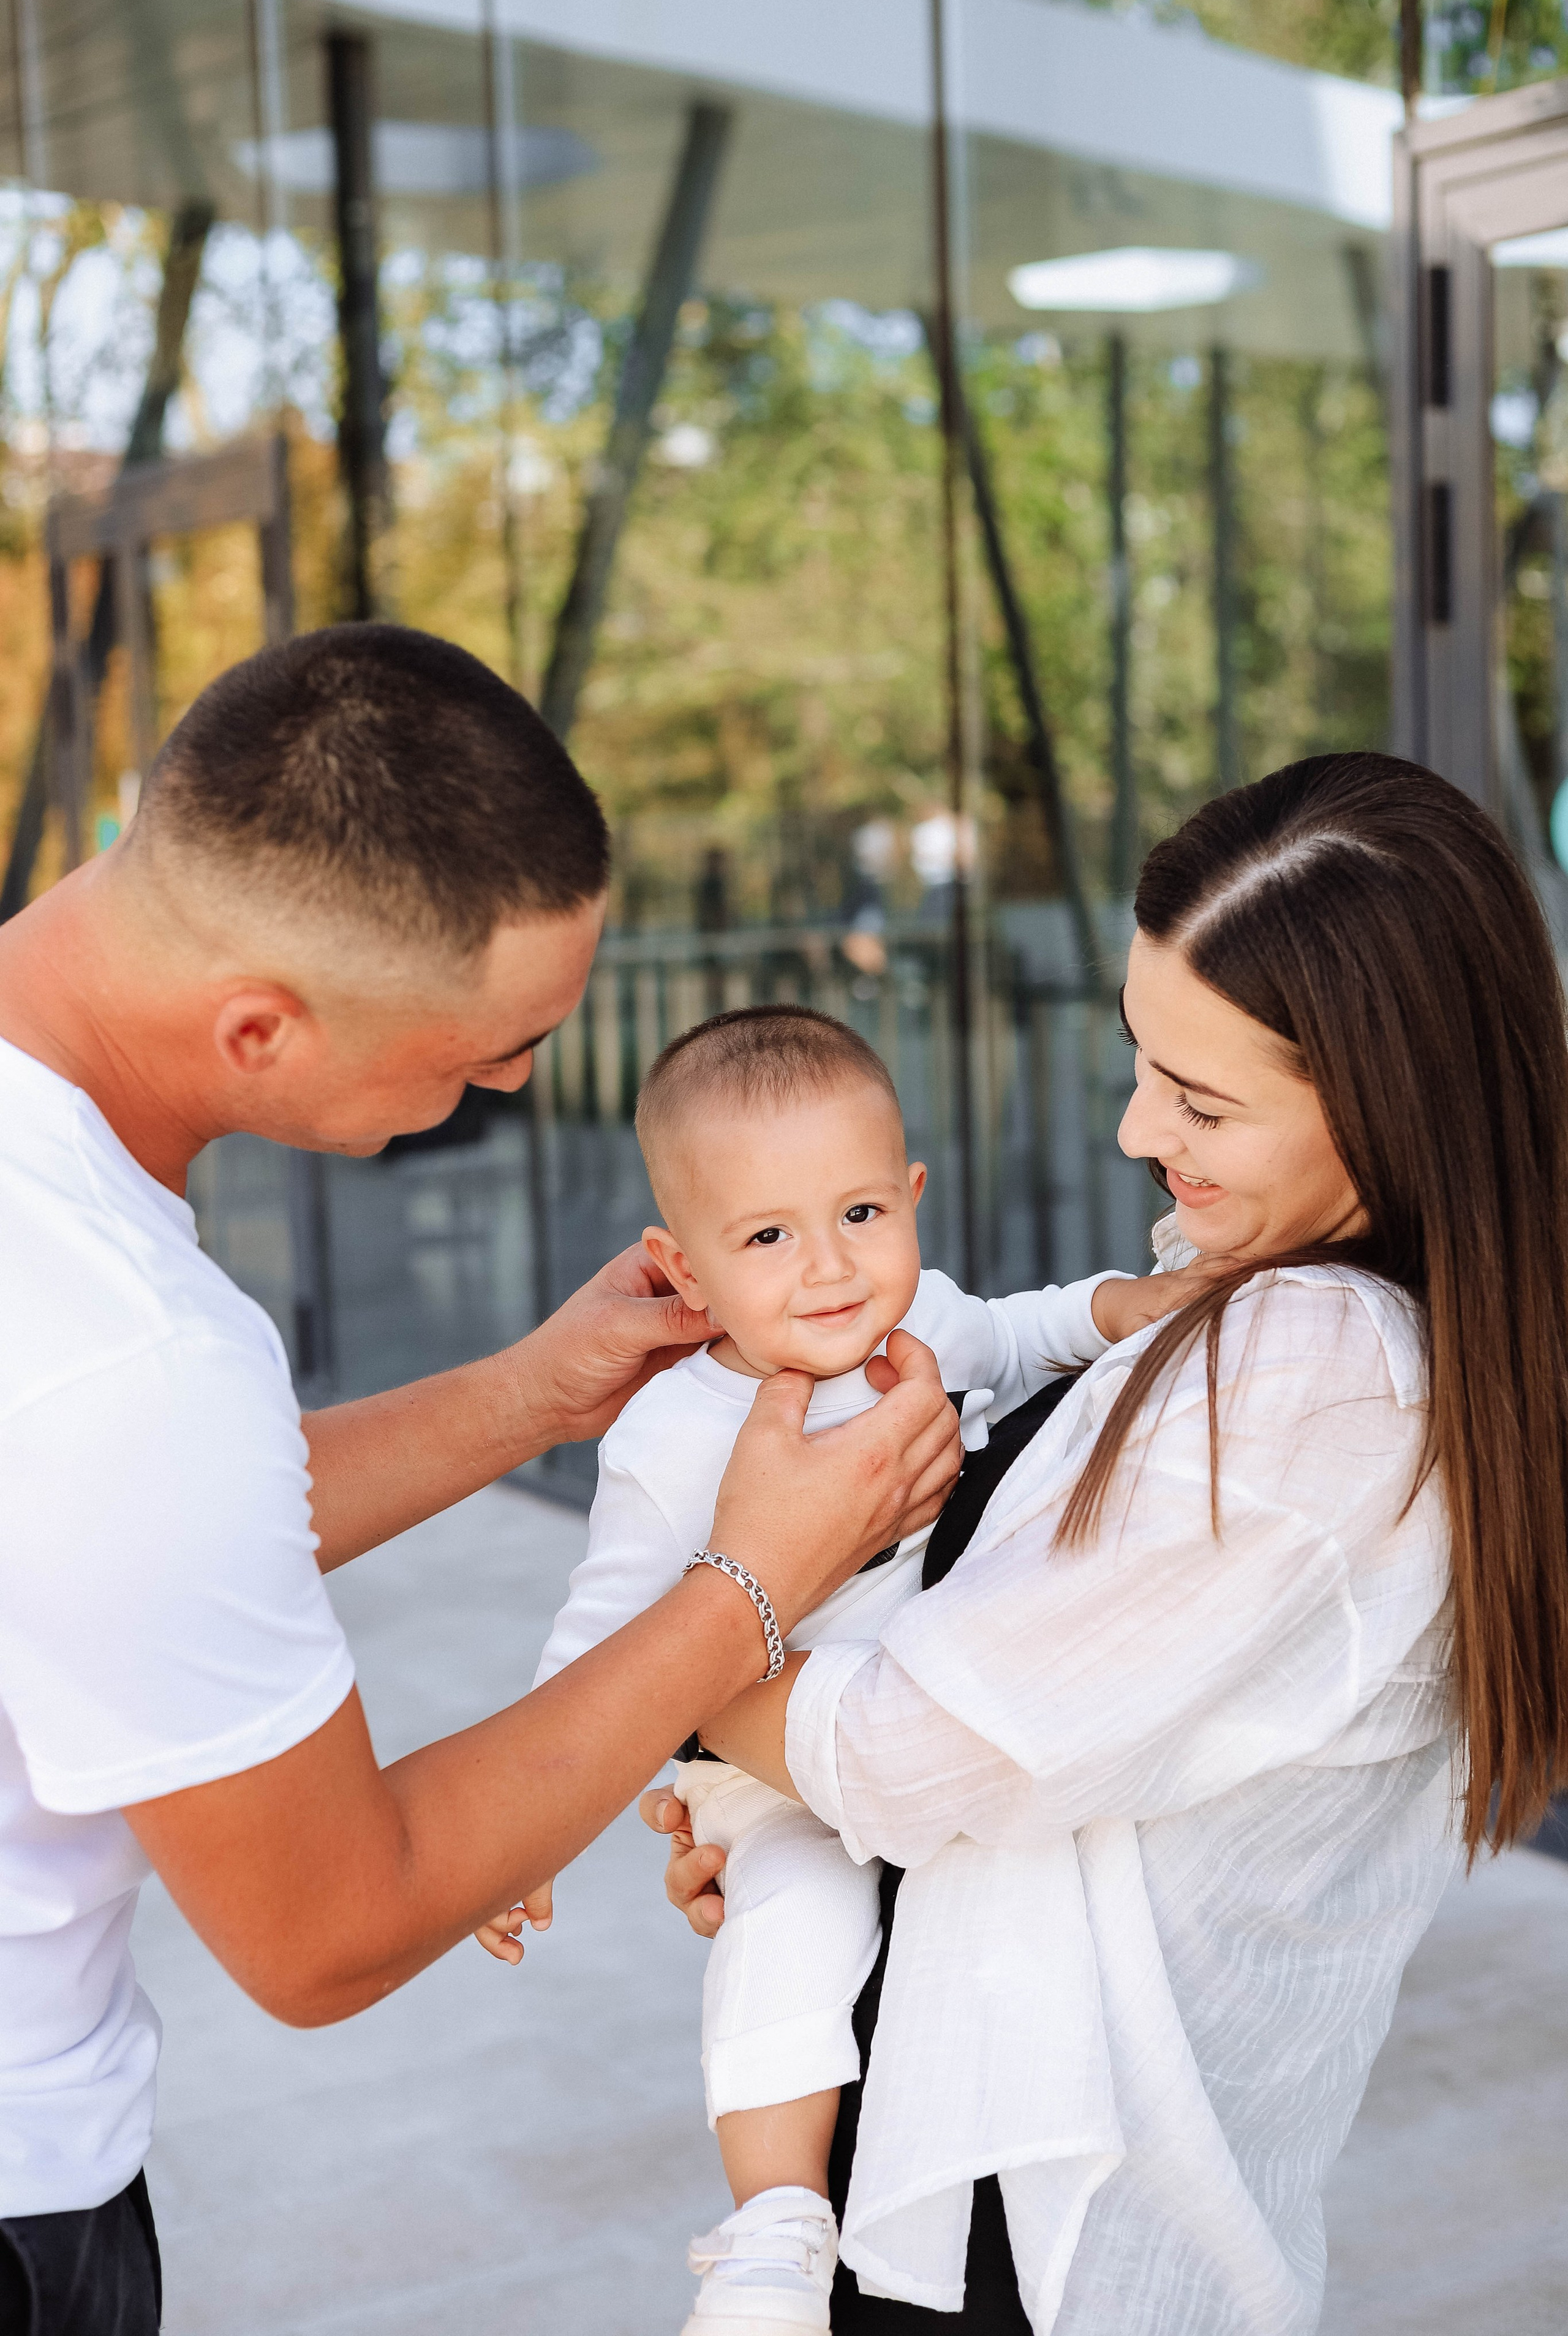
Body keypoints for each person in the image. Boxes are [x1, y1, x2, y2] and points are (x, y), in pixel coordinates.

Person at [0, 624, 962, 2336]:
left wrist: (534, 1394)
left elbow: (111, 1532)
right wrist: (749, 1586)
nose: (514, 1082)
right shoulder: (133, 1360)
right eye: (483, 1050)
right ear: (261, 1029)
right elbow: (331, 1929)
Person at [649, 752, 1568, 2335]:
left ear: (1393, 1102)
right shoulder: (1263, 1302)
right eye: (1143, 1061)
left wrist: (693, 1656)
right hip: (984, 2141)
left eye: (1204, 1101)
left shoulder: (1321, 1376)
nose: (1145, 1129)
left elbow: (922, 1753)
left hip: (1039, 2229)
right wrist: (776, 1788)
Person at [478, 1004, 1207, 2333]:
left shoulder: (924, 1322)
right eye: (766, 1236)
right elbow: (597, 1641)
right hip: (775, 1780)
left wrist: (1132, 1307)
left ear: (912, 1197)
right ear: (680, 1267)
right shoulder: (669, 1433)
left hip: (949, 1747)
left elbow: (1033, 1328)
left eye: (860, 1213)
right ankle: (773, 2228)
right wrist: (524, 1826)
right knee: (787, 1930)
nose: (827, 1268)